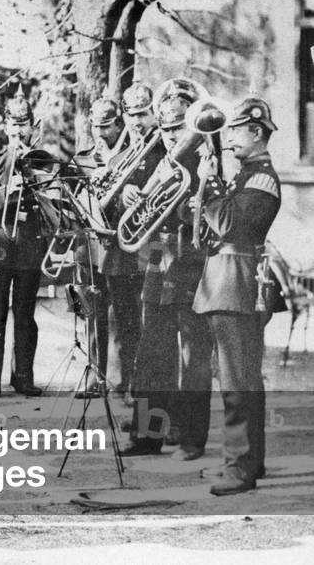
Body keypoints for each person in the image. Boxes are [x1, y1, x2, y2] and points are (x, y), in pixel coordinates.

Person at [193, 96, 280, 495]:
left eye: (235, 130)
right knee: (241, 378)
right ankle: (249, 462)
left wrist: (209, 182)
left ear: (256, 131)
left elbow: (228, 223)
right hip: (225, 281)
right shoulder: (245, 175)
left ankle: (239, 470)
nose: (227, 138)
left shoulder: (260, 179)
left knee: (236, 382)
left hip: (237, 283)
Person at [121, 87, 209, 458]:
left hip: (191, 257)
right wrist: (130, 191)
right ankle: (147, 436)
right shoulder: (159, 156)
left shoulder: (208, 157)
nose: (173, 135)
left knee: (192, 354)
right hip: (157, 256)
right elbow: (143, 194)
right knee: (152, 350)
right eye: (168, 128)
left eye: (179, 127)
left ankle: (190, 438)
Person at [0, 88, 50, 398]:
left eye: (24, 124)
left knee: (25, 314)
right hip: (1, 245)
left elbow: (52, 203)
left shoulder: (43, 161)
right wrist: (7, 190)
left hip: (30, 247)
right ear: (6, 127)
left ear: (33, 126)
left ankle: (23, 376)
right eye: (14, 124)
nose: (19, 130)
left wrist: (33, 180)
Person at [102, 78, 165, 400]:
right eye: (132, 115)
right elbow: (103, 206)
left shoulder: (167, 154)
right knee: (125, 324)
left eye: (143, 114)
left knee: (150, 329)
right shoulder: (120, 158)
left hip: (153, 252)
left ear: (154, 113)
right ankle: (126, 384)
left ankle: (145, 394)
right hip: (123, 253)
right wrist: (119, 195)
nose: (137, 122)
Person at [70, 97, 125, 397]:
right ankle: (94, 375)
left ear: (119, 124)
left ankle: (117, 379)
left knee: (117, 314)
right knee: (91, 312)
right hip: (87, 249)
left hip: (118, 248)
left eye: (107, 127)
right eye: (96, 127)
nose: (101, 134)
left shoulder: (129, 155)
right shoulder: (81, 160)